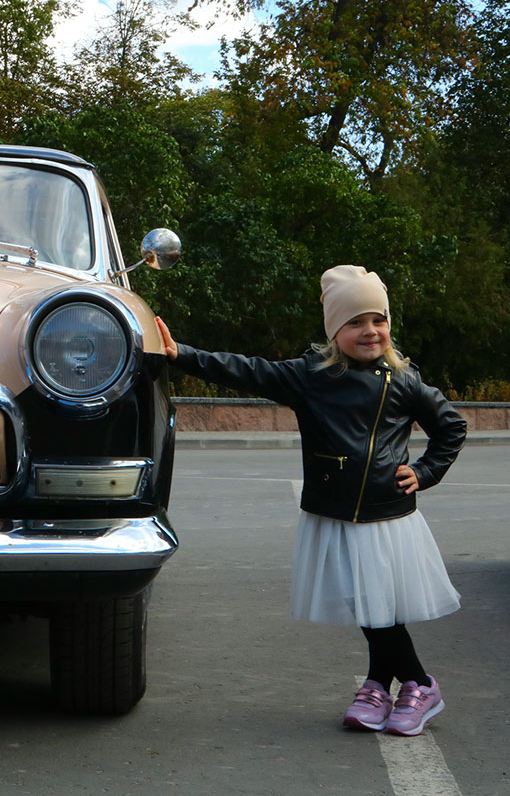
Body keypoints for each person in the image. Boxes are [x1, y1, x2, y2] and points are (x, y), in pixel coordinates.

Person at [155, 265, 466, 737]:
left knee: (376, 606)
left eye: (378, 320)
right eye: (356, 322)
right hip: (334, 511)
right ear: (334, 331)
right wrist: (183, 355)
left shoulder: (402, 381)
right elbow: (248, 370)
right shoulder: (310, 377)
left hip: (385, 516)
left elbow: (451, 427)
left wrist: (424, 472)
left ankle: (420, 684)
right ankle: (380, 683)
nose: (370, 331)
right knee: (367, 603)